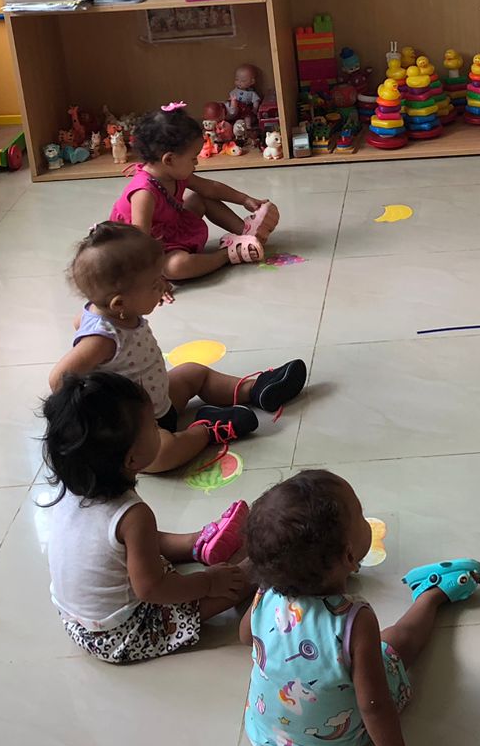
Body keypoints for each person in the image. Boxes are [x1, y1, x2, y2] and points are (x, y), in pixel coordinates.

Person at [241, 469, 480, 746]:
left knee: (348, 652)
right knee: (397, 641)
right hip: (335, 741)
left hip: (267, 738)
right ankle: (432, 595)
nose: (364, 519)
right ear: (349, 557)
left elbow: (246, 636)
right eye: (360, 515)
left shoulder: (265, 593)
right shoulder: (354, 619)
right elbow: (374, 706)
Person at [48, 221, 307, 474]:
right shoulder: (101, 339)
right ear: (119, 304)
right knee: (160, 455)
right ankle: (206, 430)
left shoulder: (110, 312)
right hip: (140, 430)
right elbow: (58, 379)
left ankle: (255, 390)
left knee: (193, 372)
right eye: (154, 284)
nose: (163, 286)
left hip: (161, 399)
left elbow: (80, 321)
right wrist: (102, 413)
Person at [39, 370, 255, 664]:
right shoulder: (134, 515)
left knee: (133, 542)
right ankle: (257, 567)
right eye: (153, 425)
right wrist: (208, 582)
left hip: (76, 622)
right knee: (226, 586)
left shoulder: (74, 491)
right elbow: (153, 589)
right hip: (121, 634)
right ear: (132, 459)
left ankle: (195, 543)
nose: (159, 428)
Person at [112, 103, 280, 274]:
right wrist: (151, 279)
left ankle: (246, 232)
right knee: (176, 267)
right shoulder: (143, 193)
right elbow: (140, 242)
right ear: (169, 159)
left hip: (170, 225)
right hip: (149, 246)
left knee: (200, 197)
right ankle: (227, 254)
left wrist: (244, 199)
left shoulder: (173, 173)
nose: (197, 162)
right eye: (193, 158)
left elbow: (210, 188)